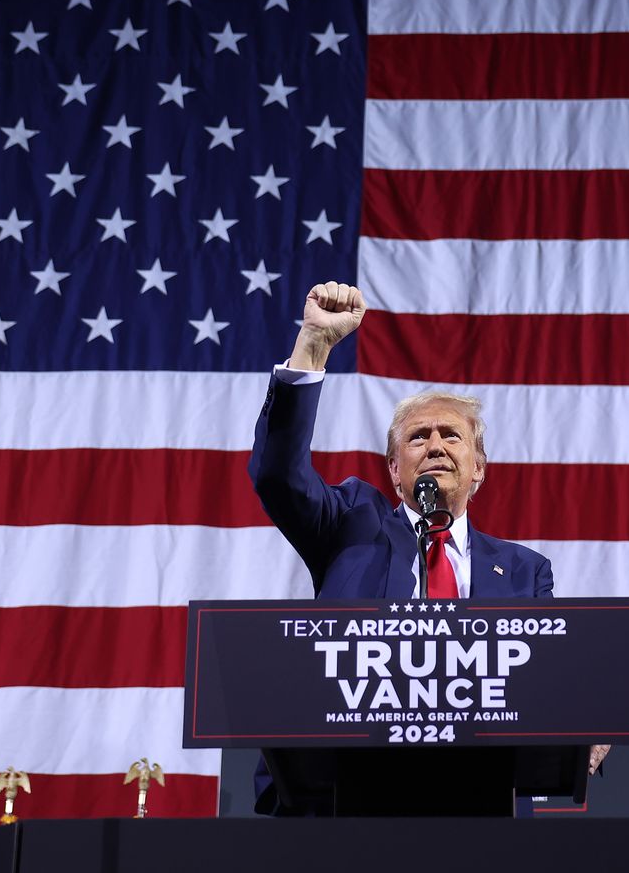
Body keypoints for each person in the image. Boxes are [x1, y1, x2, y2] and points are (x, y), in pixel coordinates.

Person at [248, 281, 609, 800]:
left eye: (451, 435)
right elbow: (276, 475)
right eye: (418, 437)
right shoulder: (351, 524)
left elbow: (544, 679)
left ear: (479, 468)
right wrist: (312, 345)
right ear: (395, 472)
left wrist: (582, 722)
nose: (435, 444)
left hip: (482, 793)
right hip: (348, 789)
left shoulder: (526, 572)